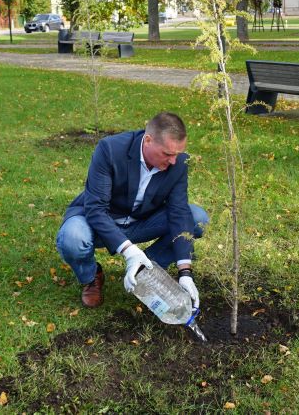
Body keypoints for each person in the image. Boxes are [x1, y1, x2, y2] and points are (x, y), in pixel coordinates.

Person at [55, 111, 208, 309]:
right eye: (167, 154)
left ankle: (145, 271)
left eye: (177, 154)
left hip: (143, 221)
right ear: (148, 140)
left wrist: (185, 272)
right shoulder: (110, 149)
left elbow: (179, 212)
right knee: (72, 238)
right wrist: (129, 252)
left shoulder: (178, 162)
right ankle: (91, 276)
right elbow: (95, 209)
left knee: (197, 218)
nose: (172, 161)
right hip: (100, 222)